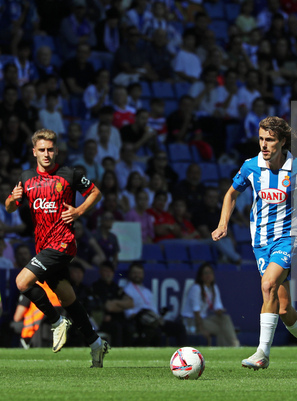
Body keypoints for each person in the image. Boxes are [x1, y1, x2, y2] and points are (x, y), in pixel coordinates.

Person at [212, 116, 297, 374]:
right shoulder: (251, 166)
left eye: (270, 140)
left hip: (290, 236)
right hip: (261, 240)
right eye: (261, 139)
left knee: (267, 284)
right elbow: (231, 193)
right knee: (283, 307)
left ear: (283, 141)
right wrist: (223, 224)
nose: (264, 145)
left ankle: (262, 352)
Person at [4, 129, 110, 367]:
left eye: (50, 149)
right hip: (42, 246)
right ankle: (96, 344)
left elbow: (95, 192)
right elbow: (10, 206)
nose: (46, 154)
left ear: (56, 150)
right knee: (68, 299)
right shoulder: (26, 177)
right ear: (34, 151)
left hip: (63, 244)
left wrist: (79, 211)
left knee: (22, 282)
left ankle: (56, 321)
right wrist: (12, 199)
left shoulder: (69, 174)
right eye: (41, 150)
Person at [123, 262, 187, 346]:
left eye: (139, 273)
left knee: (179, 328)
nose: (137, 275)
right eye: (134, 273)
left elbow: (154, 310)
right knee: (155, 330)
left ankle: (184, 353)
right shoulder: (127, 290)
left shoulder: (147, 291)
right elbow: (129, 314)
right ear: (130, 274)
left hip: (155, 319)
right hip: (140, 321)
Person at [181, 262, 240, 346]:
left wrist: (220, 311)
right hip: (192, 320)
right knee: (221, 328)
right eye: (205, 273)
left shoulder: (213, 287)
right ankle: (234, 345)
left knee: (225, 318)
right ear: (201, 276)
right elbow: (196, 312)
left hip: (204, 318)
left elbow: (217, 306)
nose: (208, 275)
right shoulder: (196, 288)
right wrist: (201, 329)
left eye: (210, 272)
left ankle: (233, 345)